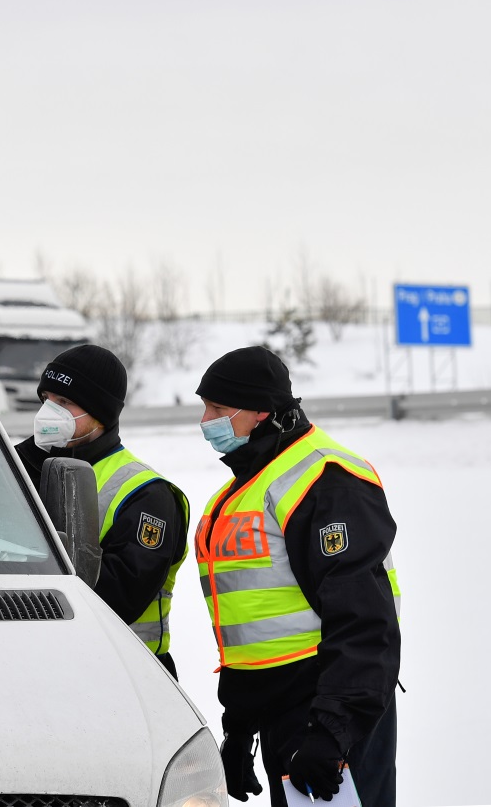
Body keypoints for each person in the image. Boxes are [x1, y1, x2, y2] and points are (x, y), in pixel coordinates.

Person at [194, 346, 401, 807]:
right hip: (284, 715)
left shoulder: (325, 479)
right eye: (204, 406)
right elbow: (252, 628)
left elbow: (364, 620)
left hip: (330, 709)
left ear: (263, 412)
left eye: (220, 409)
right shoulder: (241, 490)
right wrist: (240, 730)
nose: (205, 420)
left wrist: (332, 732)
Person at [13, 344, 189, 679]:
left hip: (128, 673)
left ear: (99, 414)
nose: (50, 412)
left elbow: (119, 597)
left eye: (64, 403)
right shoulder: (20, 468)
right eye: (47, 399)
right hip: (41, 666)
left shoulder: (146, 494)